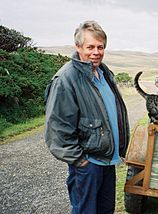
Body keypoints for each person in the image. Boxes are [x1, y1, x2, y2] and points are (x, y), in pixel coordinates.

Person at [44, 20, 129, 214]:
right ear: (78, 47)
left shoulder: (104, 73)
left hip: (107, 161)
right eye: (90, 47)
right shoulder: (66, 79)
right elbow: (58, 128)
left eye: (100, 47)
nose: (96, 52)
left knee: (106, 210)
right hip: (88, 164)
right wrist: (80, 160)